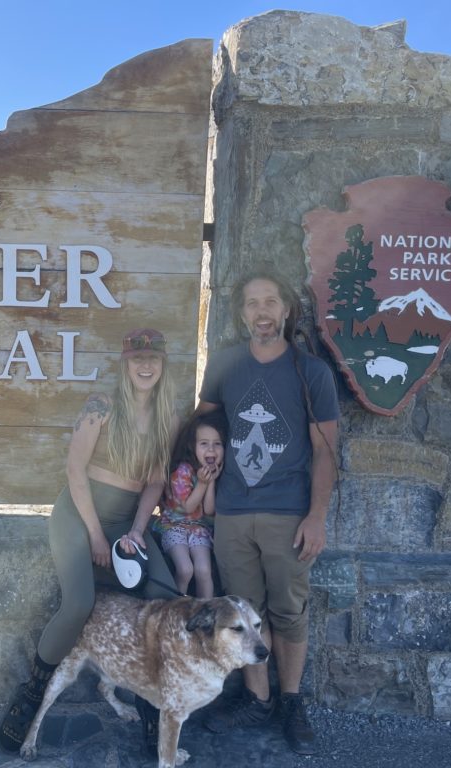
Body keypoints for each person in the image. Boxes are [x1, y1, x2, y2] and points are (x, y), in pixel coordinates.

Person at [0, 327, 180, 754]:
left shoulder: (169, 415)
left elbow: (155, 480)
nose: (146, 365)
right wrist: (97, 536)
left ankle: (152, 707)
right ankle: (32, 692)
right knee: (78, 603)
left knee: (164, 598)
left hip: (126, 519)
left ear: (163, 363)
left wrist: (137, 530)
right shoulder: (101, 406)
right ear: (124, 363)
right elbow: (75, 471)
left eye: (153, 358)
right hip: (79, 514)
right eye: (138, 358)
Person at [197, 267, 339, 756]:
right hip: (233, 511)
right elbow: (204, 428)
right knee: (244, 613)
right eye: (253, 303)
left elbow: (326, 451)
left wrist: (316, 515)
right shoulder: (226, 365)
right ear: (242, 314)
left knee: (288, 611)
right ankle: (256, 698)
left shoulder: (311, 373)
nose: (262, 312)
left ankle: (291, 701)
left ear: (286, 310)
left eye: (270, 302)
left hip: (287, 512)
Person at [152, 410, 228, 597]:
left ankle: (206, 616)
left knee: (203, 571)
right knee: (185, 569)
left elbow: (209, 510)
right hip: (174, 526)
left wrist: (210, 482)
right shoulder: (183, 471)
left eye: (217, 444)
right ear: (192, 446)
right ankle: (177, 612)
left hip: (199, 529)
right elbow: (188, 507)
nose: (211, 450)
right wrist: (202, 483)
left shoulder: (215, 472)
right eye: (204, 444)